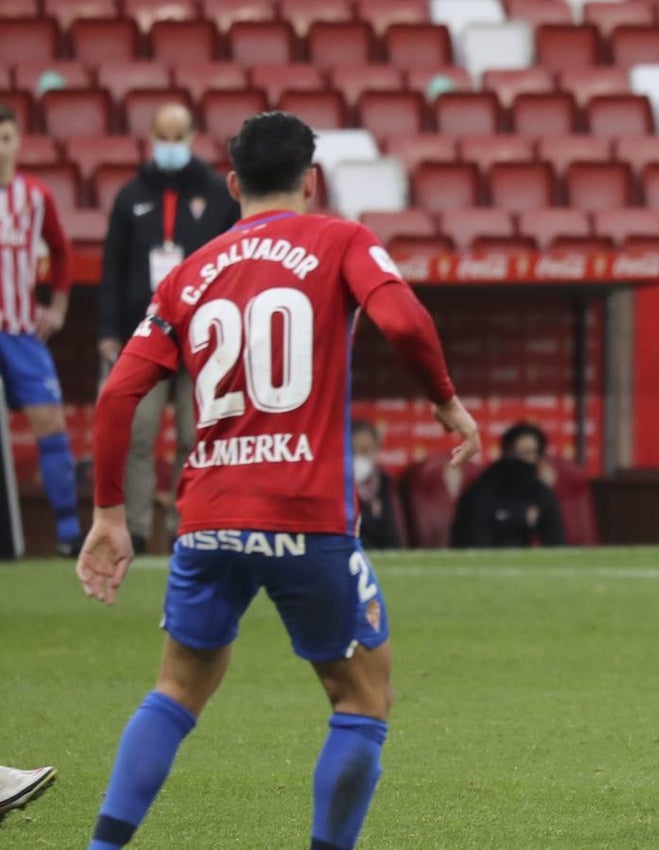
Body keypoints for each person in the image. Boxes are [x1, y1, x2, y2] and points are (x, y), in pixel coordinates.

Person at [75, 111, 480, 850]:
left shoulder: (188, 273)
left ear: (232, 185)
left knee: (177, 690)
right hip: (307, 515)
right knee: (362, 697)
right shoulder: (341, 240)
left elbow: (115, 397)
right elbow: (406, 325)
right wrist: (446, 401)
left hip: (210, 516)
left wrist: (109, 515)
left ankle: (102, 847)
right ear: (311, 181)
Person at [98, 102, 240, 553]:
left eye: (178, 136)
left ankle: (189, 527)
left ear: (194, 136)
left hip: (203, 335)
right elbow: (113, 270)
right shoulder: (131, 194)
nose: (170, 146)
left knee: (193, 435)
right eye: (164, 135)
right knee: (137, 434)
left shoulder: (217, 193)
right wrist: (108, 331)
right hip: (146, 333)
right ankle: (135, 531)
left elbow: (235, 261)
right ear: (152, 138)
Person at [0, 104, 81, 556]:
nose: (1, 148)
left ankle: (68, 535)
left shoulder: (34, 196)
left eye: (7, 138)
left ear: (18, 142)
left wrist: (60, 306)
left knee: (49, 423)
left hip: (20, 330)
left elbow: (63, 251)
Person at [451, 421, 564, 548]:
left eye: (530, 453)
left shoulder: (540, 493)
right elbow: (472, 542)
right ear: (506, 451)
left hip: (524, 564)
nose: (524, 460)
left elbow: (555, 543)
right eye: (517, 452)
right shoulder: (482, 491)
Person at [352, 420, 402, 549]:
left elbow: (391, 534)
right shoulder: (338, 487)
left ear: (376, 449)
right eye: (353, 450)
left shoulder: (384, 484)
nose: (359, 456)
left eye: (365, 450)